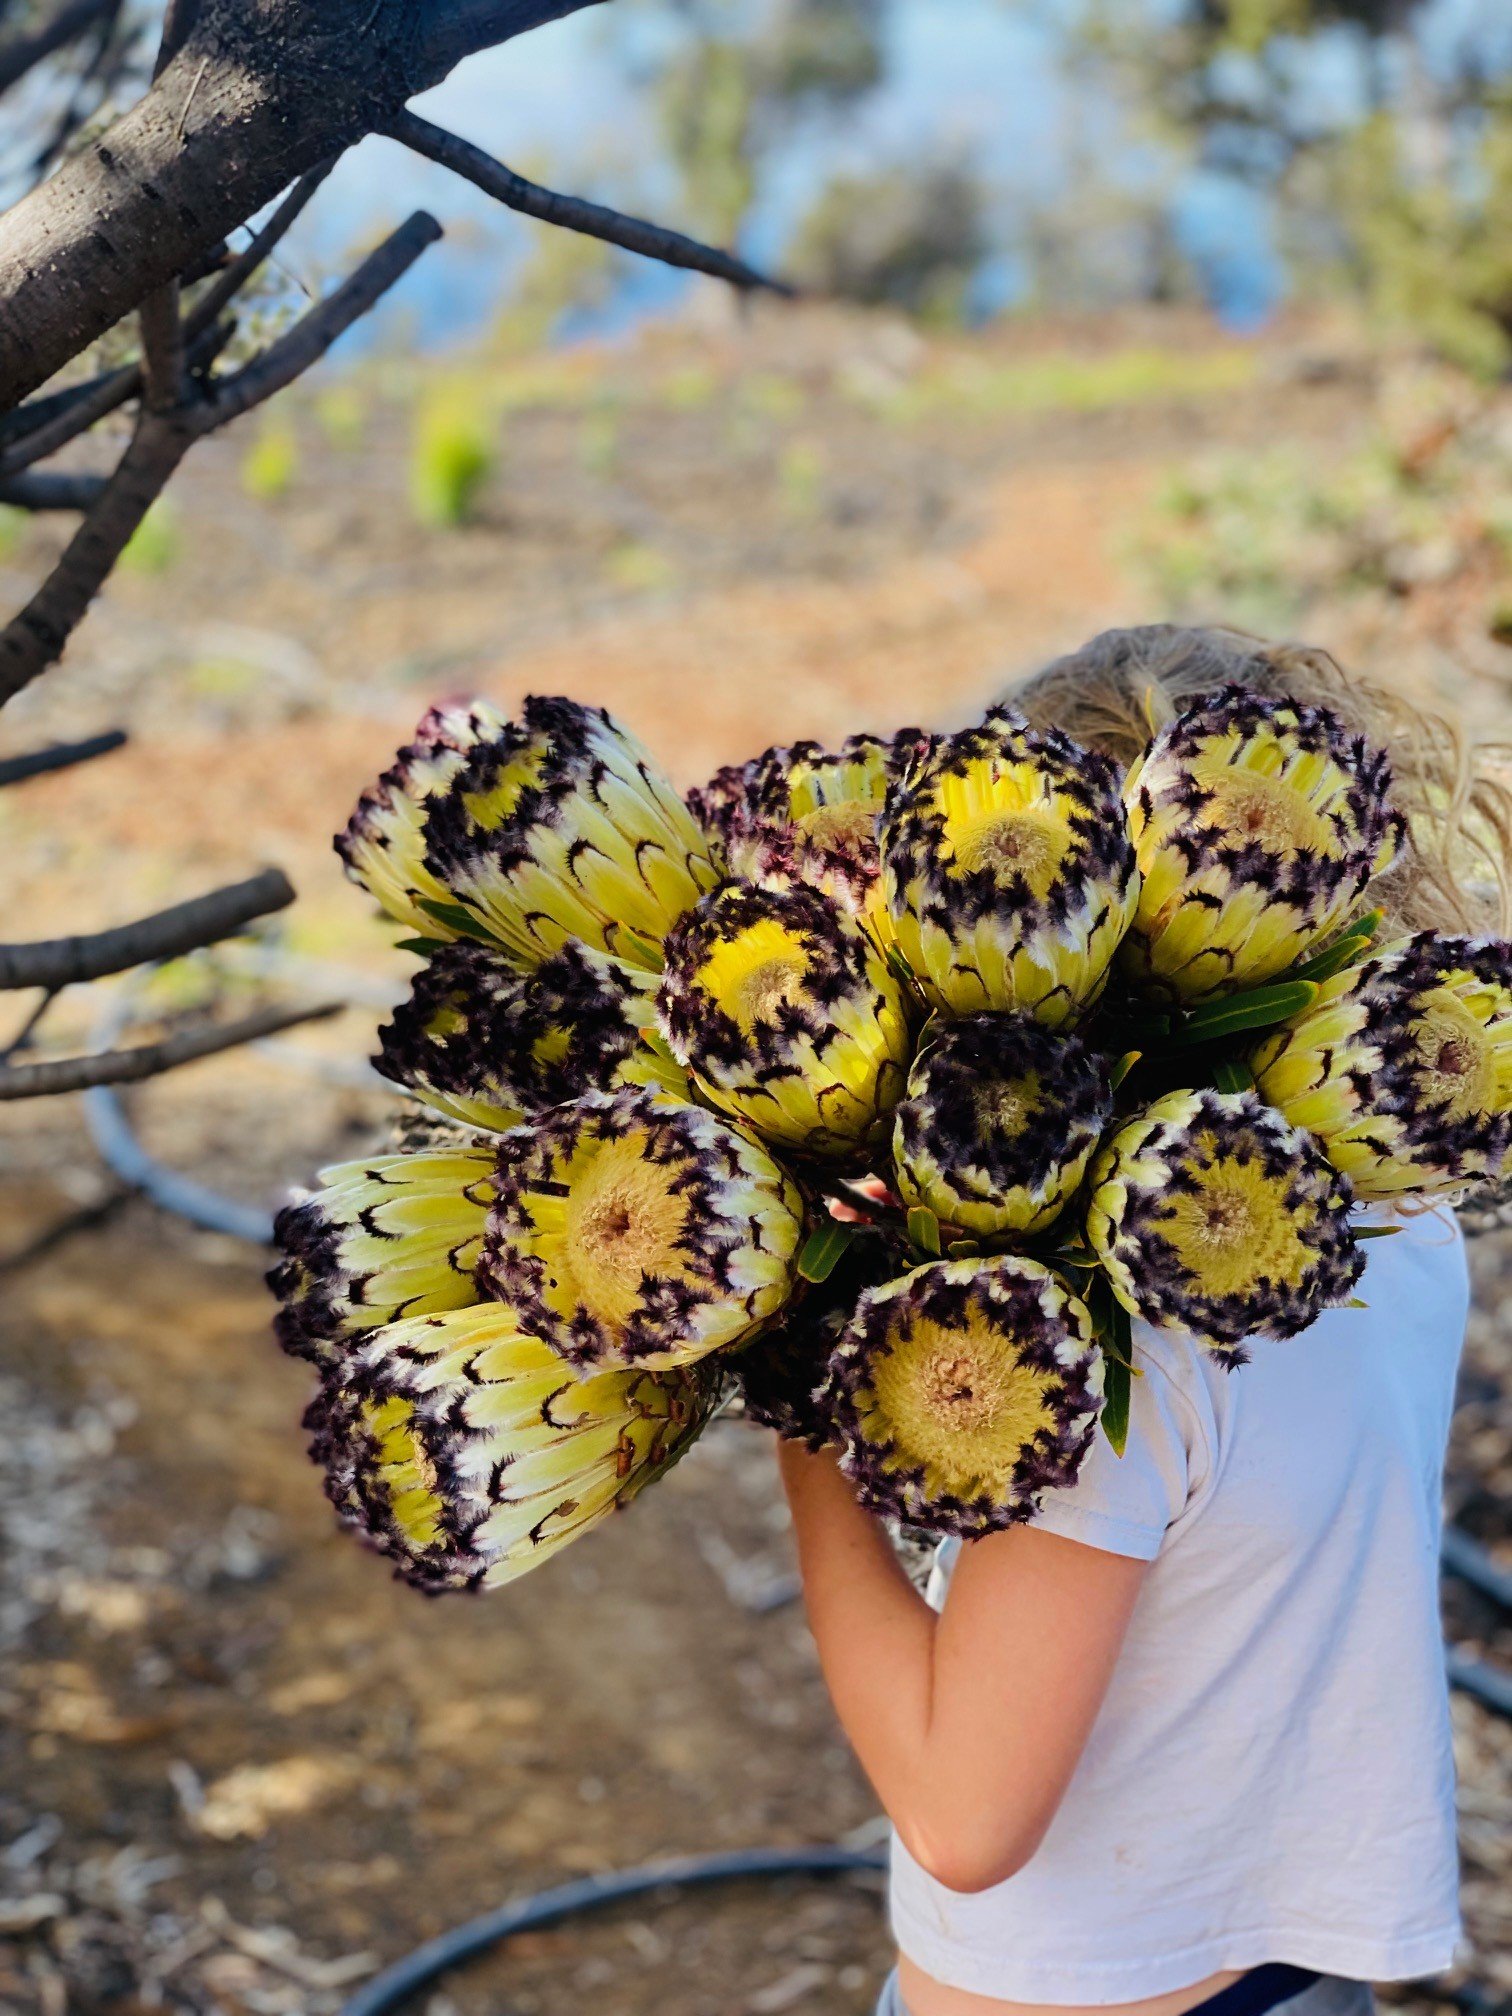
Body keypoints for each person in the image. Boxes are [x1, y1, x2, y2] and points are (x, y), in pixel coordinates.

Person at [777, 627, 1508, 2016]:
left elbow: (961, 1816)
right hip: (1292, 1981)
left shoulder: (1104, 1349)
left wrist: (807, 1436)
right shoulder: (1393, 1219)